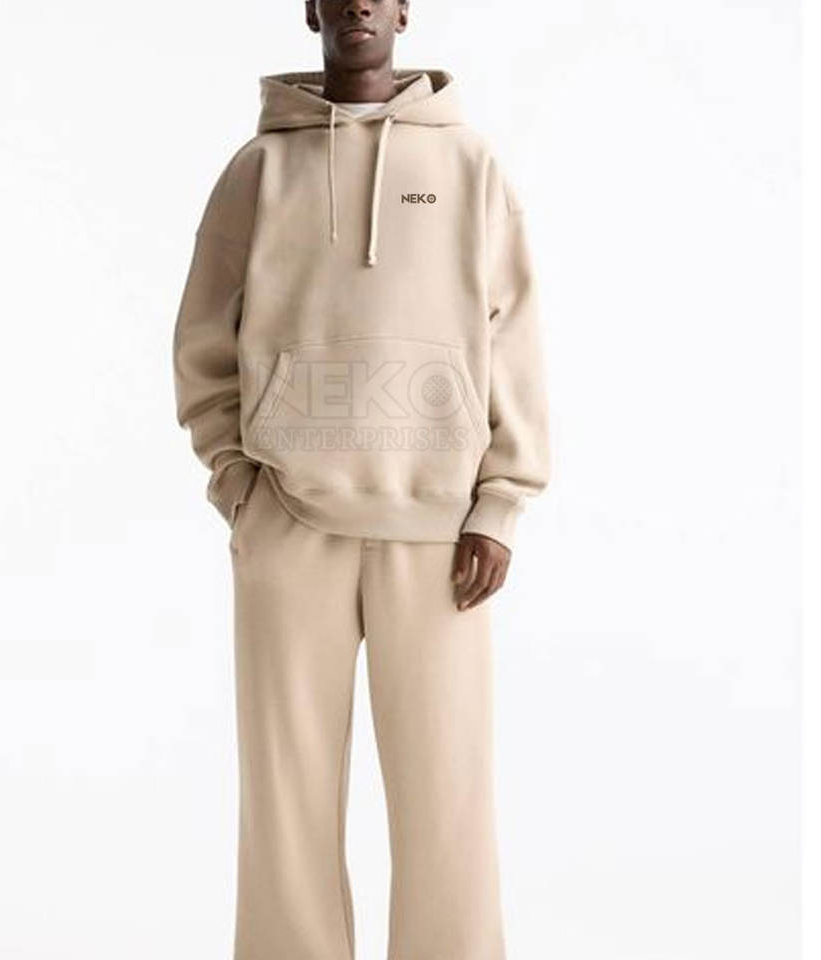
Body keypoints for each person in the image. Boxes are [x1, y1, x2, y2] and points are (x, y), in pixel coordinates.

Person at [172, 1, 549, 956]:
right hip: (288, 524)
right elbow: (202, 343)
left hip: (442, 534)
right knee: (285, 799)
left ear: (404, 9)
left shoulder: (469, 165)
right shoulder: (258, 171)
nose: (357, 4)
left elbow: (514, 340)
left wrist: (499, 505)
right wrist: (238, 485)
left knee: (448, 798)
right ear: (311, 8)